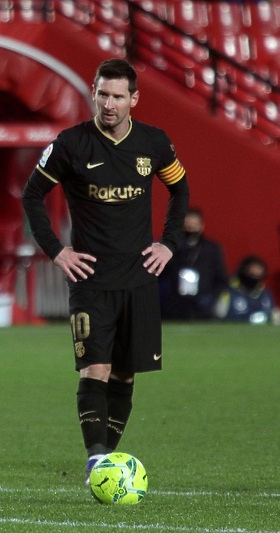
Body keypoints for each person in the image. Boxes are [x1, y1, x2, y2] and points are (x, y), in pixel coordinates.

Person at [21, 58, 190, 484]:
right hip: (90, 280)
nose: (108, 103)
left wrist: (169, 243)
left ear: (134, 99)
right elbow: (31, 196)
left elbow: (180, 188)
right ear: (93, 93)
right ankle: (97, 460)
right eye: (102, 94)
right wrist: (58, 251)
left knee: (125, 373)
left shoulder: (153, 143)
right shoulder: (71, 144)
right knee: (93, 367)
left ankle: (108, 461)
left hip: (138, 278)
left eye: (117, 96)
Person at [159, 208, 229, 320]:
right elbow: (161, 274)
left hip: (202, 303)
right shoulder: (170, 248)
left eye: (194, 225)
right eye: (187, 225)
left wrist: (211, 298)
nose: (190, 229)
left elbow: (220, 277)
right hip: (175, 304)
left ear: (201, 226)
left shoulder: (211, 249)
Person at [214, 255, 278, 324]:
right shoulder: (229, 293)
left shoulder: (266, 295)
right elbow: (218, 316)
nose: (255, 274)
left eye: (258, 272)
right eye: (252, 272)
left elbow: (273, 315)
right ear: (244, 271)